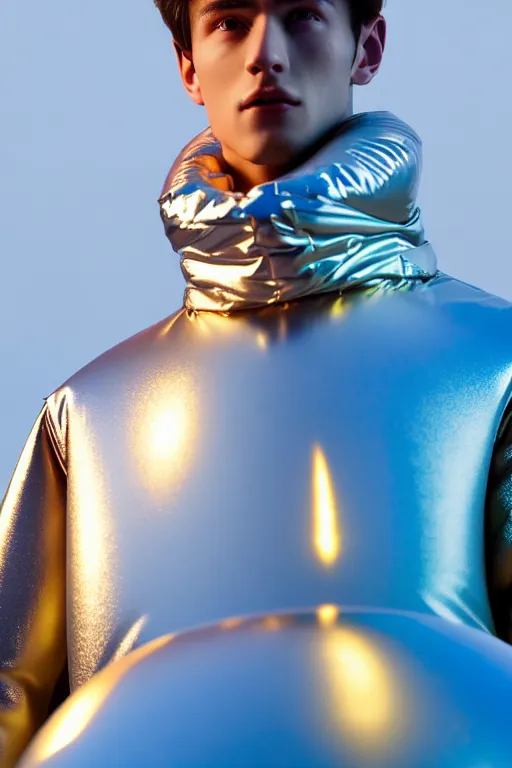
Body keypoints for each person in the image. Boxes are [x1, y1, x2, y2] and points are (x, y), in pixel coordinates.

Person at [2, 0, 512, 765]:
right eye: (229, 20)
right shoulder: (86, 414)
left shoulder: (496, 366)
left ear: (365, 48)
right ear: (187, 66)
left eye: (303, 15)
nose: (263, 52)